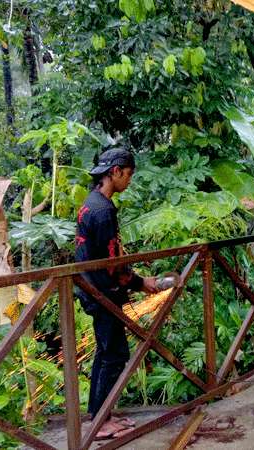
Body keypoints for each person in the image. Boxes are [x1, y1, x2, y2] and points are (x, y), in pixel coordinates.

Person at [75, 148, 159, 439]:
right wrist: (139, 282)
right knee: (115, 354)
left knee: (106, 351)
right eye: (129, 174)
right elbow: (113, 266)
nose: (130, 181)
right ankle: (101, 422)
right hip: (102, 292)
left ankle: (101, 414)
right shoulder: (104, 210)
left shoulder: (91, 203)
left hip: (90, 287)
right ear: (116, 171)